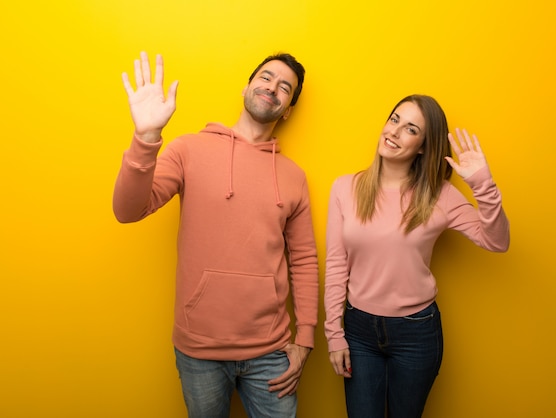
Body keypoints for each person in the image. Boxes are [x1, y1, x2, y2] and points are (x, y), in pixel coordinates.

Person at [113, 51, 319, 418]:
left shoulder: (293, 176)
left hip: (271, 351)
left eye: (285, 87)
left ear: (287, 109)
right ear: (247, 86)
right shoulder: (188, 149)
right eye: (266, 77)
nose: (273, 87)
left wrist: (305, 338)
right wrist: (146, 137)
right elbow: (127, 211)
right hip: (199, 351)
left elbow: (303, 259)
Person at [324, 94, 510, 417]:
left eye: (410, 129)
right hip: (358, 331)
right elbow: (337, 265)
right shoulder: (345, 188)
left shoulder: (441, 195)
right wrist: (334, 334)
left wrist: (484, 186)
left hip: (416, 332)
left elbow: (497, 241)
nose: (394, 132)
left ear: (424, 146)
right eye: (394, 119)